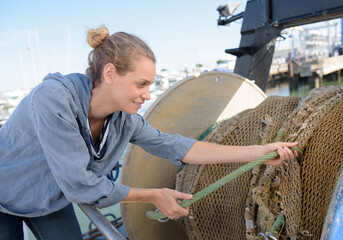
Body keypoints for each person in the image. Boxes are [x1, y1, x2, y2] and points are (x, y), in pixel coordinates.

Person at [0, 25, 298, 240]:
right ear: (110, 73)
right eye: (141, 84)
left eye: (150, 86)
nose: (147, 94)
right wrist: (153, 194)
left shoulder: (124, 120)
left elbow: (178, 147)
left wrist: (260, 152)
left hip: (51, 200)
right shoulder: (53, 99)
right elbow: (80, 185)